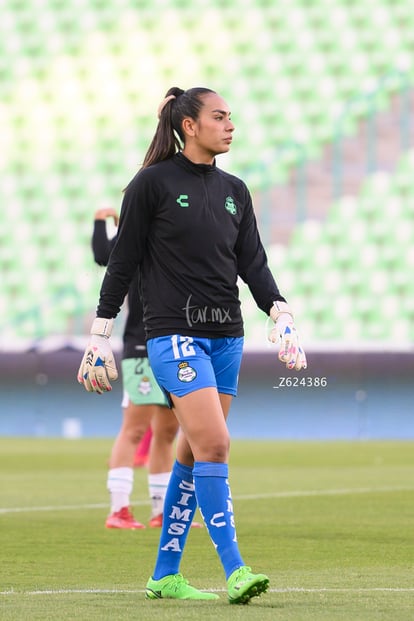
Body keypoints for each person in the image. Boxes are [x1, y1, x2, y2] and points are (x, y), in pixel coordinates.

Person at [78, 87, 307, 604]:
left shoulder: (236, 189)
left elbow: (253, 262)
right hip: (172, 335)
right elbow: (122, 262)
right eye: (220, 117)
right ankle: (235, 570)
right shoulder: (150, 185)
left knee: (191, 447)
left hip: (227, 337)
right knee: (217, 445)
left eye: (232, 118)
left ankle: (165, 574)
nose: (230, 126)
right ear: (189, 125)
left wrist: (281, 312)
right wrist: (99, 335)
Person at [92, 207, 191, 529]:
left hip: (175, 344)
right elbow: (103, 255)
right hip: (141, 345)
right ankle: (118, 509)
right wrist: (101, 223)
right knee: (135, 428)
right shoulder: (134, 240)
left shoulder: (175, 242)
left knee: (167, 432)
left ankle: (161, 511)